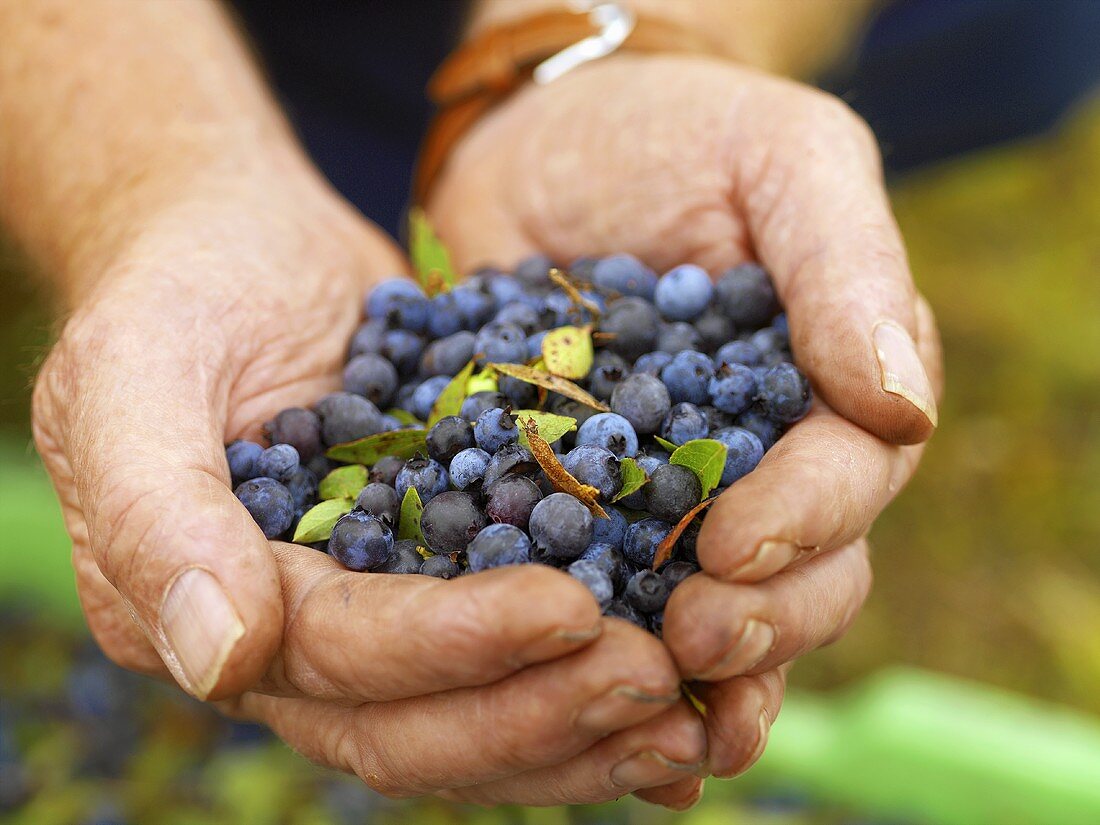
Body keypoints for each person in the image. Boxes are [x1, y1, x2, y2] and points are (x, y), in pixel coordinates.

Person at [1, 0, 944, 810]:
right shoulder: (441, 445)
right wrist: (157, 179)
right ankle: (332, 149)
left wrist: (639, 37)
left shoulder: (625, 393)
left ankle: (389, 144)